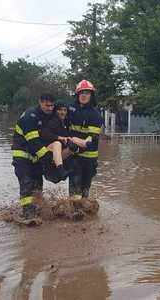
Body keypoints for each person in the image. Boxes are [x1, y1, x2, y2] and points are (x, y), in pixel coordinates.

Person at [11, 93, 56, 225]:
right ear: (40, 102)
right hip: (22, 155)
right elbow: (34, 141)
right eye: (47, 105)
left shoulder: (47, 117)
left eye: (52, 105)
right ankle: (28, 214)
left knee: (37, 184)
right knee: (26, 183)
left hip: (35, 157)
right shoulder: (30, 116)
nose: (49, 108)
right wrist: (47, 156)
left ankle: (38, 208)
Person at [68, 80, 103, 216]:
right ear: (77, 94)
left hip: (89, 158)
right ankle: (74, 212)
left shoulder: (95, 115)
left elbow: (92, 137)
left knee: (85, 188)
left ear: (91, 95)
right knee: (74, 185)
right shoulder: (70, 109)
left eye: (87, 93)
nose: (84, 95)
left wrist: (80, 142)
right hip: (74, 156)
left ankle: (83, 210)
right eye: (81, 92)